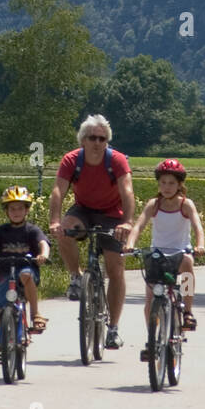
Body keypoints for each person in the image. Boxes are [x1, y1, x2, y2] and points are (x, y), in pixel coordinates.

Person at [48, 115, 135, 349]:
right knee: (65, 231)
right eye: (92, 138)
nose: (97, 143)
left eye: (102, 138)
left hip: (111, 213)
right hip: (84, 209)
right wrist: (55, 221)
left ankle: (113, 329)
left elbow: (127, 192)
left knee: (115, 267)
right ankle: (76, 277)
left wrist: (127, 222)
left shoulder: (116, 160)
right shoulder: (72, 160)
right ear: (82, 140)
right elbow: (58, 190)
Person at [125, 159, 205, 361]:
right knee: (149, 302)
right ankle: (151, 341)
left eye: (171, 183)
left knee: (188, 262)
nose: (166, 187)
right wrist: (130, 243)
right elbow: (139, 226)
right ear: (158, 184)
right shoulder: (154, 204)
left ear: (179, 185)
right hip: (158, 254)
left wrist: (200, 245)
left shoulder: (185, 205)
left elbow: (197, 227)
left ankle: (187, 311)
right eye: (163, 183)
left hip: (180, 252)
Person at [0, 186, 50, 367]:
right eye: (12, 209)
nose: (16, 212)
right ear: (6, 211)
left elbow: (43, 243)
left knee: (25, 274)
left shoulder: (32, 230)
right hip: (4, 272)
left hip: (26, 270)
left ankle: (35, 313)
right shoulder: (1, 231)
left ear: (26, 210)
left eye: (20, 208)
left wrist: (43, 255)